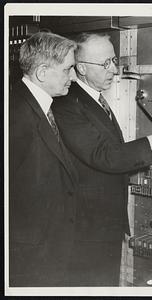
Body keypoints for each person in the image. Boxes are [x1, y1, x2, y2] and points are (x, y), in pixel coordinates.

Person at [52, 32, 152, 286]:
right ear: (81, 68)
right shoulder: (67, 104)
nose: (114, 69)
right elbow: (103, 155)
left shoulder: (94, 100)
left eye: (113, 60)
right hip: (86, 229)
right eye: (105, 63)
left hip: (104, 223)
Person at [9, 32, 78, 286]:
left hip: (46, 246)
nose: (73, 76)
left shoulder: (40, 106)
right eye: (68, 69)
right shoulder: (15, 113)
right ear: (42, 73)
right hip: (28, 254)